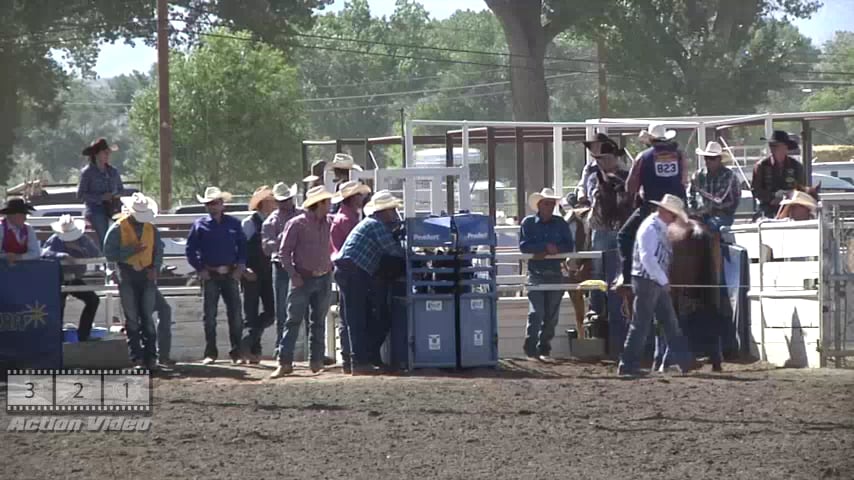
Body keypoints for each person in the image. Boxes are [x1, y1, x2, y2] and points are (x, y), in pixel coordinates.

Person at [618, 194, 692, 376]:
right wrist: (664, 280)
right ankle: (628, 364)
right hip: (647, 280)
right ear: (664, 211)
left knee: (666, 321)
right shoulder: (650, 228)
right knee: (644, 323)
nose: (674, 219)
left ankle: (684, 361)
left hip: (652, 280)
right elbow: (647, 258)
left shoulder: (656, 226)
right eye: (673, 215)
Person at [333, 190, 406, 375]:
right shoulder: (376, 225)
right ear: (385, 211)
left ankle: (360, 359)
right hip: (352, 270)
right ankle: (359, 361)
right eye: (392, 210)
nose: (394, 214)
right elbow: (394, 250)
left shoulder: (372, 224)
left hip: (350, 269)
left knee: (359, 316)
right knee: (357, 317)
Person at [270, 186, 334, 378]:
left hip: (323, 276)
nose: (330, 204)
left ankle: (316, 361)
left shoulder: (327, 222)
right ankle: (285, 361)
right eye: (327, 201)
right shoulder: (297, 224)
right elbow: (284, 252)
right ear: (319, 204)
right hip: (303, 277)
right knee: (294, 321)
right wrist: (293, 275)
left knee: (318, 321)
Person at [614, 123, 688, 291]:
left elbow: (631, 186)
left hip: (654, 207)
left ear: (650, 140)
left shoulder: (643, 157)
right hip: (678, 209)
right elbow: (684, 180)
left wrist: (633, 199)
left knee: (624, 236)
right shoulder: (680, 155)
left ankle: (626, 279)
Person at [185, 187, 247, 365]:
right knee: (210, 315)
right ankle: (210, 352)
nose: (212, 206)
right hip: (210, 274)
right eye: (209, 204)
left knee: (235, 314)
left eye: (215, 203)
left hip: (230, 272)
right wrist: (200, 269)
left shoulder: (234, 224)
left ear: (222, 204)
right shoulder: (199, 225)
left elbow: (243, 247)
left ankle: (236, 353)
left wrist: (240, 267)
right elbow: (190, 251)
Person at [103, 193, 163, 370]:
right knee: (134, 318)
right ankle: (139, 357)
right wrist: (131, 251)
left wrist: (155, 268)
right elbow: (109, 254)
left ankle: (149, 357)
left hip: (145, 273)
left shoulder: (150, 229)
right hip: (128, 274)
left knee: (144, 316)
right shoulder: (117, 228)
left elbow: (158, 251)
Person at [519, 188, 574, 362]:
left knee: (551, 316)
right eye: (547, 203)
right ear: (539, 205)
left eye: (552, 204)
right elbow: (523, 246)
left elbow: (569, 246)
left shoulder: (560, 223)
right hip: (537, 272)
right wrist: (547, 247)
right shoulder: (528, 223)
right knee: (537, 313)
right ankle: (532, 348)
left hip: (553, 272)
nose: (550, 207)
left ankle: (542, 348)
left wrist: (549, 250)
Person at [581, 135, 630, 320]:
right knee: (598, 267)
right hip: (601, 228)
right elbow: (592, 195)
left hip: (620, 229)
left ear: (615, 158)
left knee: (619, 267)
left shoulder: (625, 176)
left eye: (607, 158)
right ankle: (597, 307)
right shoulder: (594, 176)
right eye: (600, 159)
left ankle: (619, 308)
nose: (603, 162)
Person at [41, 215, 101, 341]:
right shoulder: (56, 239)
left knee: (93, 300)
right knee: (59, 306)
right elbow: (44, 253)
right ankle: (56, 338)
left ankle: (84, 334)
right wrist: (62, 255)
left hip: (74, 278)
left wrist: (80, 250)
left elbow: (95, 253)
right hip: (57, 278)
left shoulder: (83, 239)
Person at [262, 182, 303, 357]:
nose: (286, 202)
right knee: (282, 310)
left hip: (301, 265)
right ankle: (281, 349)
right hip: (281, 267)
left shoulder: (302, 215)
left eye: (287, 199)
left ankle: (310, 352)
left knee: (306, 309)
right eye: (282, 200)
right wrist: (284, 238)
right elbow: (266, 247)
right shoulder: (272, 220)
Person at [240, 185, 277, 363]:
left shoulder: (274, 221)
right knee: (251, 313)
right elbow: (240, 249)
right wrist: (244, 269)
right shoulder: (249, 223)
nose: (275, 203)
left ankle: (247, 342)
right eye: (271, 200)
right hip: (252, 272)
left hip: (269, 272)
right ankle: (254, 351)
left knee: (271, 311)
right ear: (263, 203)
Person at [77, 138, 124, 248]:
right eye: (105, 153)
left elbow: (121, 189)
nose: (107, 155)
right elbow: (80, 195)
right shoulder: (87, 173)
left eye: (108, 153)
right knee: (103, 231)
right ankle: (106, 255)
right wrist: (101, 197)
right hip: (95, 209)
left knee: (125, 226)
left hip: (114, 207)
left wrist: (115, 195)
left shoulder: (113, 171)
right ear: (96, 154)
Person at [689, 141, 741, 232]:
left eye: (712, 158)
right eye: (706, 158)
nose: (708, 161)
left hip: (723, 215)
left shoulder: (728, 175)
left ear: (719, 159)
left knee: (711, 226)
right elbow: (691, 195)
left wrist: (702, 209)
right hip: (702, 215)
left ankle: (715, 246)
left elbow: (718, 199)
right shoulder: (698, 175)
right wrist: (693, 209)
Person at [752, 130, 806, 219]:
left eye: (775, 145)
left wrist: (789, 196)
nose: (772, 148)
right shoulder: (761, 166)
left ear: (785, 147)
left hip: (791, 208)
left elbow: (801, 188)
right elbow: (756, 190)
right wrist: (772, 197)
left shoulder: (796, 166)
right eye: (770, 145)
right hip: (767, 209)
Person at [0, 197, 40, 263]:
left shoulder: (28, 229)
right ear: (11, 215)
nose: (25, 218)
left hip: (25, 269)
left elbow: (35, 253)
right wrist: (6, 256)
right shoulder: (1, 229)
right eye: (22, 214)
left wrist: (18, 257)